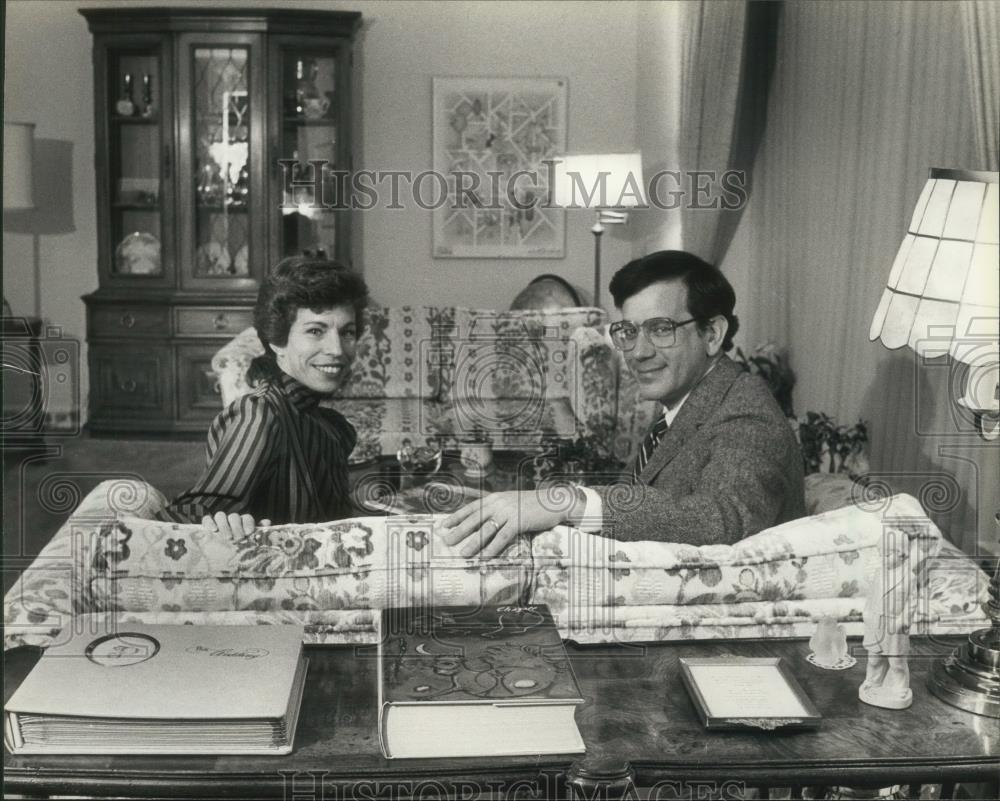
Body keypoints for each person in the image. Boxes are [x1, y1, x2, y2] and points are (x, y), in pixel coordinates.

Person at [439, 250, 805, 557]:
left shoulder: (745, 413)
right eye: (629, 332)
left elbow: (720, 518)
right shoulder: (683, 404)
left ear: (712, 334)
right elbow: (641, 500)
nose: (639, 352)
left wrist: (567, 501)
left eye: (661, 329)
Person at [159, 255, 367, 539]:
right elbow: (189, 516)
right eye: (315, 331)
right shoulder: (259, 413)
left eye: (347, 332)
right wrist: (220, 522)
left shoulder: (333, 427)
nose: (337, 349)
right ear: (277, 340)